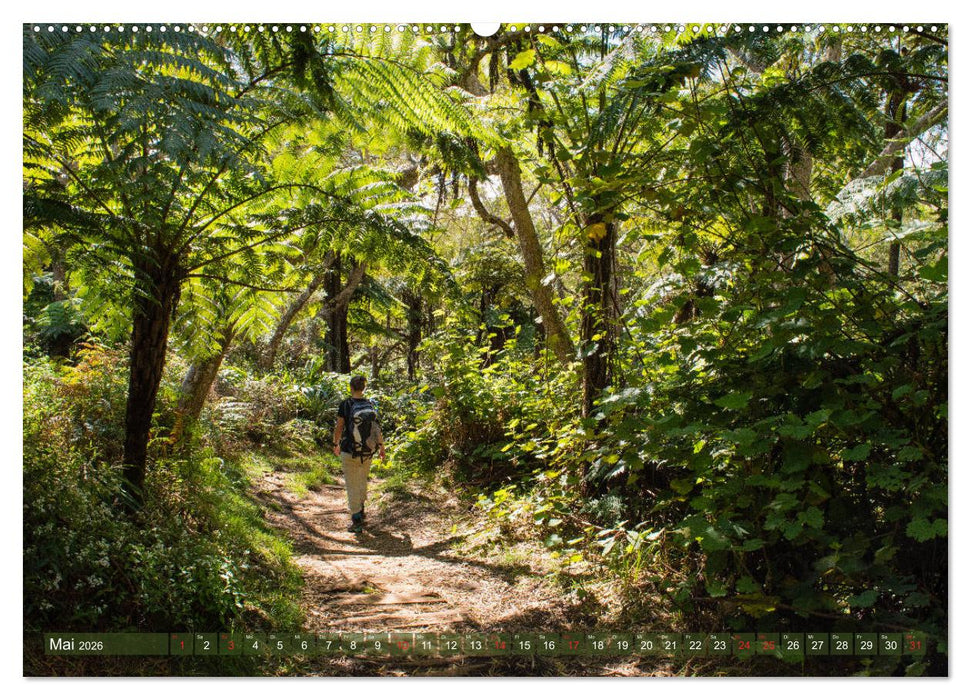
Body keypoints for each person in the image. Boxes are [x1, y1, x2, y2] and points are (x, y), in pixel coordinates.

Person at [332, 375, 385, 533]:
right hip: (367, 451)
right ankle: (361, 509)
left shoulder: (346, 404)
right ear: (363, 388)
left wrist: (336, 444)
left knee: (352, 483)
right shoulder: (370, 404)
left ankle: (356, 518)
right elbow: (376, 428)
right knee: (362, 480)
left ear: (351, 387)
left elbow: (339, 426)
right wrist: (381, 447)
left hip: (349, 450)